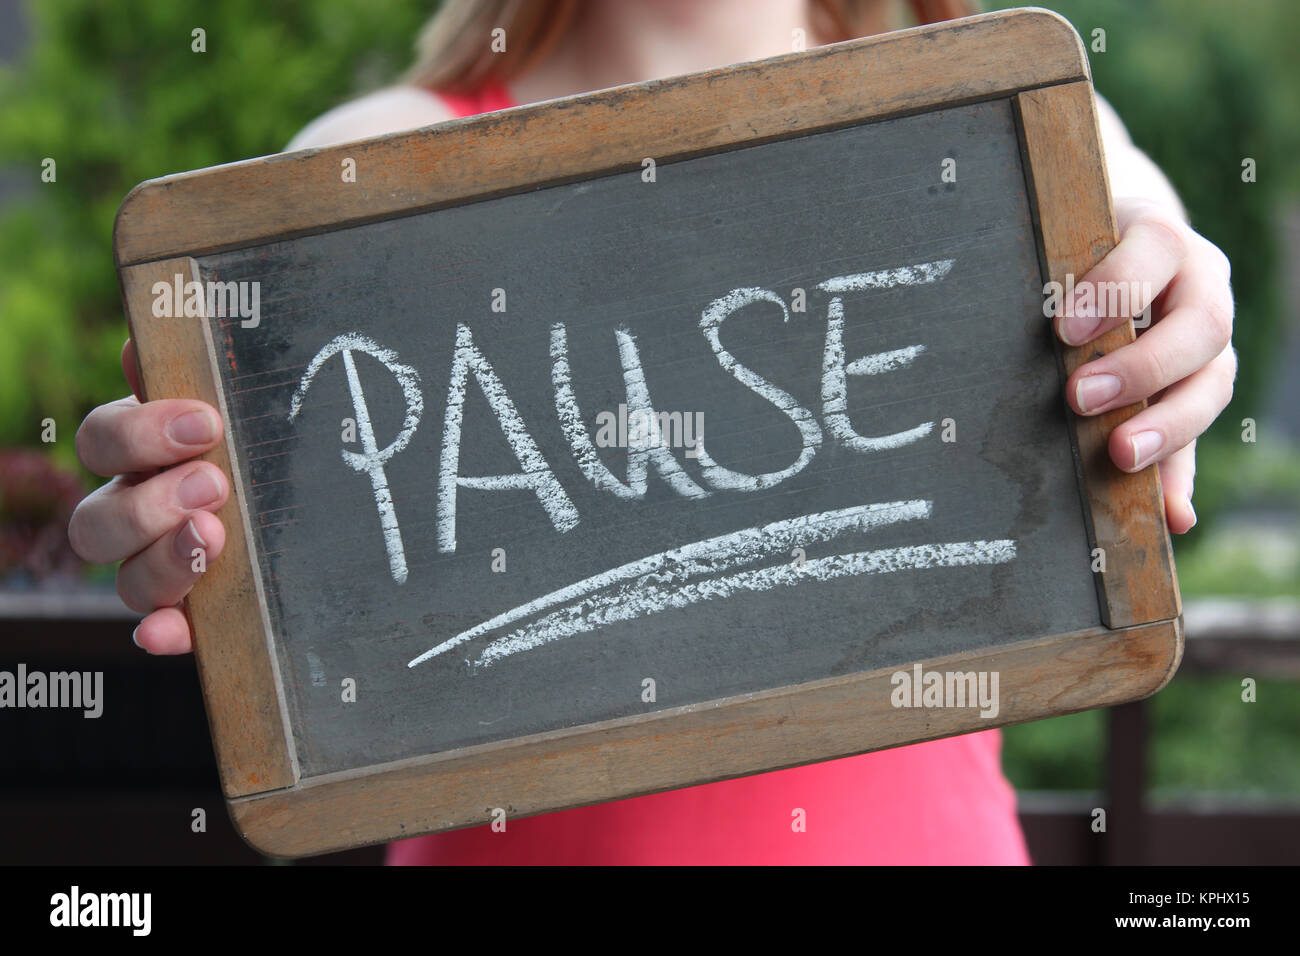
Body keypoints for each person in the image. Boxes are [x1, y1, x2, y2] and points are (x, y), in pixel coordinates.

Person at [69, 0, 1235, 864]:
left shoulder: (998, 120)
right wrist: (177, 496)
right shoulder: (376, 163)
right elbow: (239, 439)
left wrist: (1178, 293)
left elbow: (1138, 229)